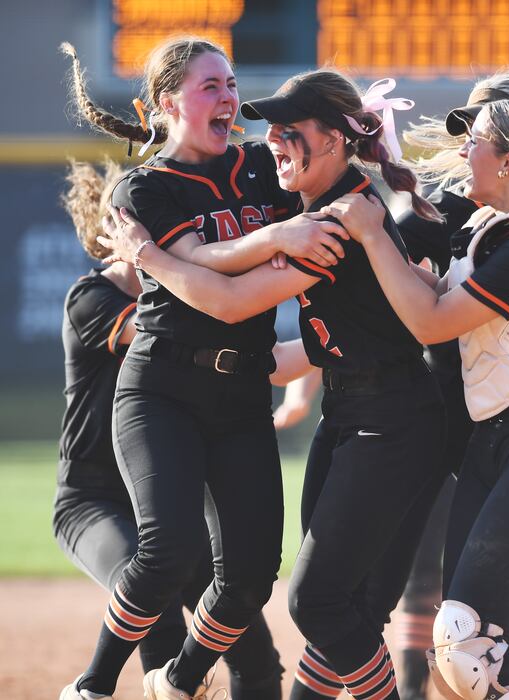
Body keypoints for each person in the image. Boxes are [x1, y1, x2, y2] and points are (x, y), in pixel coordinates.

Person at [99, 68, 447, 700]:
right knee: (342, 604)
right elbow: (296, 346)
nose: (274, 142)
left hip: (393, 420)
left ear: (338, 139)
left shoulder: (338, 219)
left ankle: (173, 681)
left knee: (318, 602)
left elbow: (230, 303)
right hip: (349, 413)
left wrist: (148, 257)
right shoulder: (316, 208)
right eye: (273, 131)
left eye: (291, 130)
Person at [58, 39, 347, 700]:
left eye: (230, 83)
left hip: (241, 389)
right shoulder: (146, 186)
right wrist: (274, 239)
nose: (228, 98)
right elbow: (202, 262)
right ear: (168, 103)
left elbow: (297, 261)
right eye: (210, 86)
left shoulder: (256, 166)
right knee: (167, 551)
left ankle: (180, 679)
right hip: (163, 386)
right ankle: (93, 686)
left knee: (250, 576)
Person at [322, 98, 509, 700]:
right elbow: (432, 290)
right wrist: (380, 200)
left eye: (474, 140)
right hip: (499, 444)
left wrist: (373, 232)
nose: (463, 151)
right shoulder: (499, 233)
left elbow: (431, 323)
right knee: (477, 655)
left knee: (466, 640)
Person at [55, 159, 298, 699]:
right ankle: (97, 685)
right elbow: (180, 325)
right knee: (158, 596)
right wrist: (166, 263)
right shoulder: (92, 299)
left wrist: (337, 352)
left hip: (181, 495)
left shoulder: (182, 285)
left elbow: (268, 359)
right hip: (98, 498)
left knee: (254, 646)